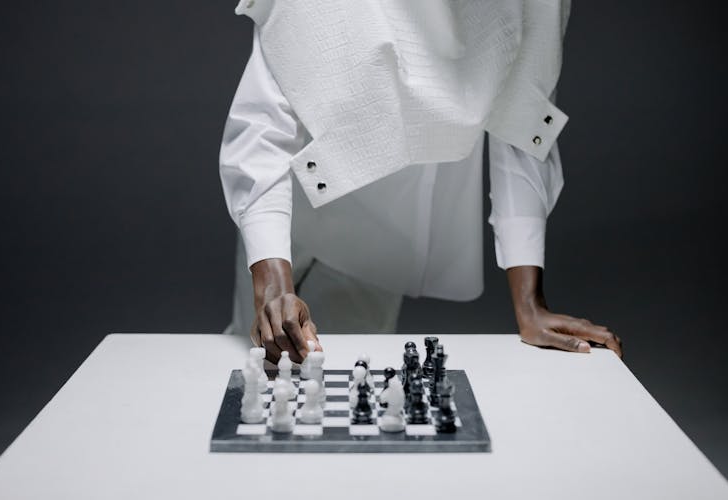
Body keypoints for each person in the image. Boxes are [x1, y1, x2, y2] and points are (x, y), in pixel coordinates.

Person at [219, 0, 622, 364]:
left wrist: (530, 303)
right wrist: (271, 283)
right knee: (260, 359)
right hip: (282, 203)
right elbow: (262, 128)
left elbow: (523, 122)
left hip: (386, 227)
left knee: (343, 374)